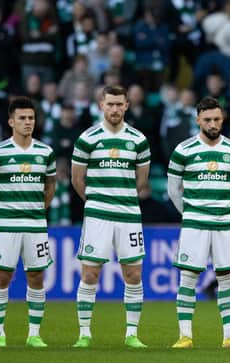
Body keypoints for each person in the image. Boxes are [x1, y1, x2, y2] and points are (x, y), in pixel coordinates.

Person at [167, 96, 230, 349]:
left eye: (216, 119)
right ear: (197, 120)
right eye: (207, 120)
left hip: (225, 223)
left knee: (227, 277)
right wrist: (191, 212)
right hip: (195, 223)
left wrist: (221, 209)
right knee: (189, 277)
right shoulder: (183, 150)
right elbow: (173, 190)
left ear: (222, 119)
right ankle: (185, 336)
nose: (212, 124)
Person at [71, 85, 151, 349]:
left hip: (128, 215)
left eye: (119, 104)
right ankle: (84, 333)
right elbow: (77, 179)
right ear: (100, 106)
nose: (115, 109)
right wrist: (96, 202)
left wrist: (121, 198)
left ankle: (131, 334)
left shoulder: (138, 139)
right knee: (90, 274)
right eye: (110, 104)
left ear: (127, 105)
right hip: (98, 217)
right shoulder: (88, 138)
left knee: (134, 275)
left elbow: (141, 181)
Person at [0, 97, 56, 348]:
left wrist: (38, 210)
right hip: (7, 225)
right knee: (3, 277)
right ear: (11, 121)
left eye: (31, 118)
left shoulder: (45, 152)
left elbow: (51, 185)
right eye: (22, 118)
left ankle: (34, 334)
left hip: (35, 226)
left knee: (36, 277)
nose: (27, 122)